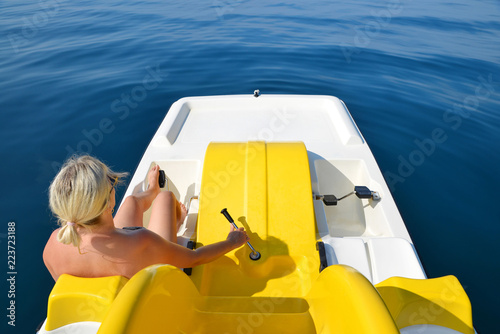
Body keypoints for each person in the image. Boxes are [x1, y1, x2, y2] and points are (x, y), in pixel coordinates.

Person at [43, 155, 249, 281]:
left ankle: (152, 191)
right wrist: (231, 242)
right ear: (107, 204)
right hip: (151, 280)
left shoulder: (53, 244)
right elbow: (195, 259)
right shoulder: (142, 242)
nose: (114, 182)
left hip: (116, 271)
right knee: (166, 198)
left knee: (133, 201)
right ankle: (173, 224)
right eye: (111, 182)